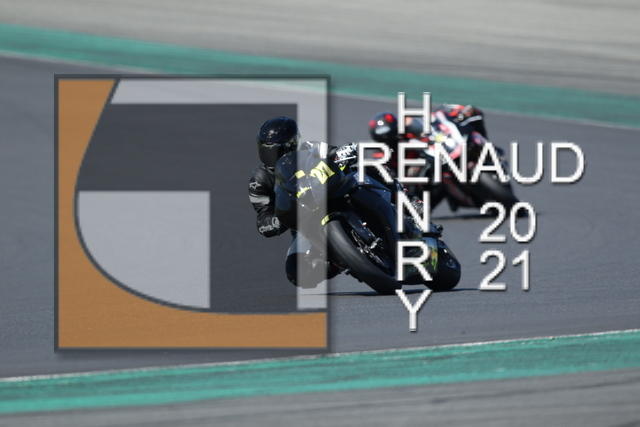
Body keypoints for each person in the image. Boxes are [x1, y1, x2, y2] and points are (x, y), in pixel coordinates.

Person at [249, 116, 428, 288]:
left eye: (279, 149)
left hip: (336, 193)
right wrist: (276, 221)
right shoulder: (259, 181)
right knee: (296, 272)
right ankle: (341, 260)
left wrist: (345, 151)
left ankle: (406, 199)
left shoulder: (311, 148)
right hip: (305, 225)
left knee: (366, 167)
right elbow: (263, 215)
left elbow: (335, 153)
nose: (273, 155)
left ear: (293, 143)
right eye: (267, 149)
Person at [368, 104, 495, 210]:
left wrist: (454, 113)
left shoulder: (410, 127)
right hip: (422, 184)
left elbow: (431, 125)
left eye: (394, 136)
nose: (393, 141)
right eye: (388, 141)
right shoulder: (382, 157)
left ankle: (488, 149)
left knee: (472, 123)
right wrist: (407, 176)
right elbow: (390, 181)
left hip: (438, 154)